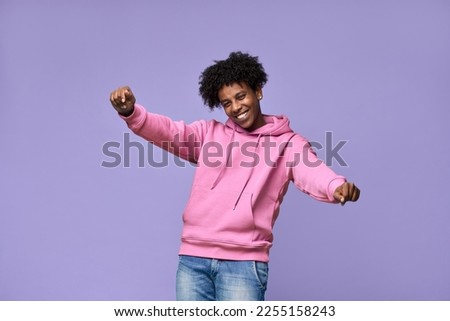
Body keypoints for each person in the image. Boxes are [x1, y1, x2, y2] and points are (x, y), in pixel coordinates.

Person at [109, 51, 360, 301]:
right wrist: (133, 113)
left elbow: (311, 169)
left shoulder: (287, 144)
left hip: (243, 264)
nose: (236, 107)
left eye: (241, 96)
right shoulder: (209, 134)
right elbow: (170, 132)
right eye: (227, 103)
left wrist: (335, 186)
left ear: (258, 91)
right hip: (193, 260)